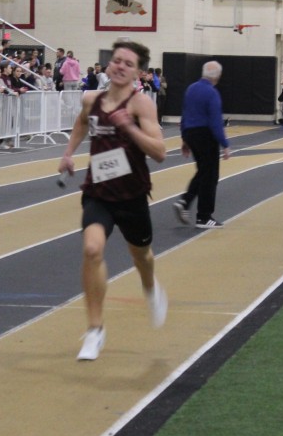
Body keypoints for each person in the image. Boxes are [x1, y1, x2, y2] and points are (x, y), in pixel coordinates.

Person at [57, 39, 168, 361]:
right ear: (109, 64)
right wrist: (68, 153)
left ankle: (150, 287)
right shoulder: (91, 99)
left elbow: (160, 152)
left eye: (128, 64)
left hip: (132, 194)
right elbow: (82, 123)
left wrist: (128, 128)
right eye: (117, 60)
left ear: (138, 73)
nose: (120, 66)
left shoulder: (141, 105)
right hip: (99, 192)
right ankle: (95, 329)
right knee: (92, 250)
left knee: (142, 257)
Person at [173, 61, 231, 229]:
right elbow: (215, 121)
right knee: (211, 176)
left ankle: (186, 201)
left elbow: (184, 115)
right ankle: (204, 216)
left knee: (204, 172)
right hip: (205, 135)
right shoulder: (212, 93)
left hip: (191, 134)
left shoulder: (191, 89)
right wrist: (225, 144)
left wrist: (184, 139)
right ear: (218, 77)